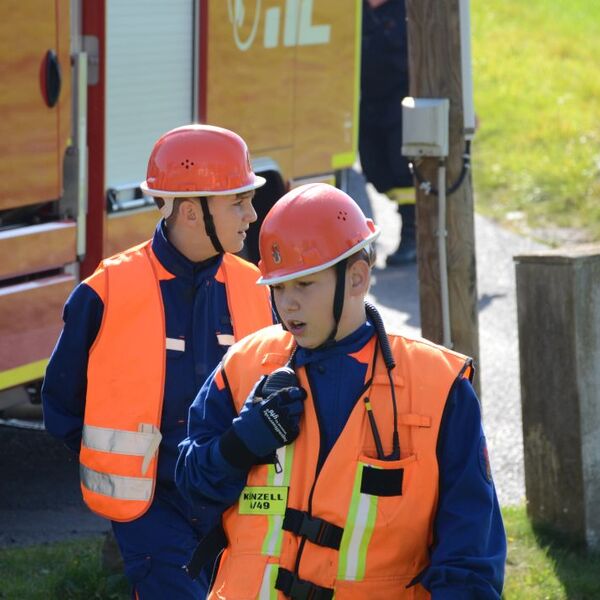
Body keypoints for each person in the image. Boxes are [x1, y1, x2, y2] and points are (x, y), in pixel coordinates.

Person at [176, 183, 506, 598]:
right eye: (278, 287)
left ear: (357, 278)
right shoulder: (245, 363)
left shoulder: (440, 386)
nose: (287, 305)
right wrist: (237, 447)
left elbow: (470, 552)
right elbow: (189, 485)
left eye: (304, 284)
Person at [41, 124, 274, 599]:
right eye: (238, 201)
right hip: (150, 513)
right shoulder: (105, 292)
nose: (252, 214)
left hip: (239, 509)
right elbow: (62, 407)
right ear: (190, 211)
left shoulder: (258, 290)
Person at [360, 0, 417, 266]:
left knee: (403, 170)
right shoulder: (354, 11)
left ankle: (413, 235)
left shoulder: (409, 9)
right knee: (375, 169)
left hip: (402, 103)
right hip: (367, 104)